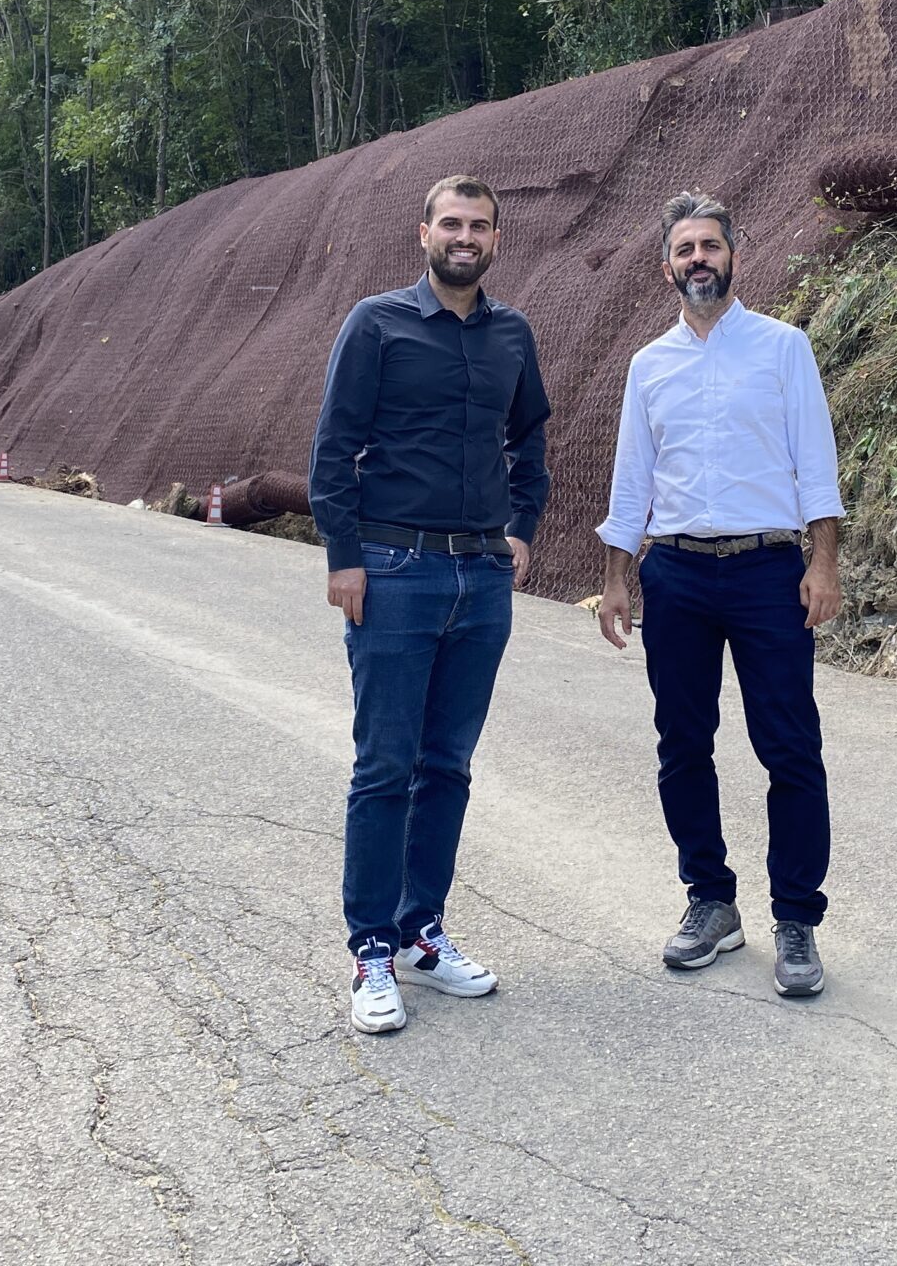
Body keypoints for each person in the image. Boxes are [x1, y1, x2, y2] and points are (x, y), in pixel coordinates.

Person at [311, 175, 552, 1034]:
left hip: (481, 578)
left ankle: (422, 931)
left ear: (496, 239)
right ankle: (370, 948)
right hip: (393, 569)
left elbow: (530, 439)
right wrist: (345, 559)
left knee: (445, 766)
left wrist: (522, 526)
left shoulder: (512, 334)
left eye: (479, 226)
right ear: (423, 233)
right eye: (451, 222)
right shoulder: (376, 323)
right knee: (384, 767)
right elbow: (334, 445)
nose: (465, 236)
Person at [594, 191, 845, 997]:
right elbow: (632, 481)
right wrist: (615, 578)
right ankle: (710, 901)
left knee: (790, 747)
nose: (698, 258)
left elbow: (817, 464)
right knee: (681, 745)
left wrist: (824, 562)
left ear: (734, 254)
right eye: (684, 248)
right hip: (676, 576)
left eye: (709, 245)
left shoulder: (782, 349)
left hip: (770, 571)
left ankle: (797, 920)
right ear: (665, 265)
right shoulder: (648, 366)